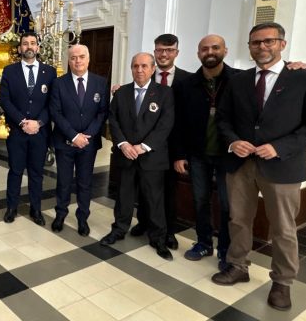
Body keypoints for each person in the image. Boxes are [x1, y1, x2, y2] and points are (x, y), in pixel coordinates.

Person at [212, 22, 306, 311]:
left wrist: (281, 147)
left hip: (283, 165)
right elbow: (223, 119)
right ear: (249, 47)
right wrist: (232, 142)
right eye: (255, 43)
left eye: (268, 41)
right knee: (238, 219)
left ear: (282, 44)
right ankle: (238, 265)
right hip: (241, 163)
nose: (262, 47)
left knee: (283, 227)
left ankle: (283, 281)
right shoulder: (238, 80)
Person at [171, 35, 237, 269]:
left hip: (228, 156)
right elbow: (178, 122)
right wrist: (179, 154)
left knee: (227, 205)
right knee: (200, 201)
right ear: (198, 53)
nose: (210, 52)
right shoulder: (186, 84)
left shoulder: (239, 80)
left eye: (215, 47)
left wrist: (294, 67)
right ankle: (204, 242)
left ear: (225, 51)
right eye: (204, 49)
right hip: (198, 154)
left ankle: (226, 249)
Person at [101, 53, 175, 261]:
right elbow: (113, 120)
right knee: (123, 196)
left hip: (152, 157)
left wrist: (143, 146)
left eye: (144, 66)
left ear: (153, 69)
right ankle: (118, 230)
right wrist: (124, 144)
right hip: (126, 156)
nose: (139, 70)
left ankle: (158, 239)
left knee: (154, 199)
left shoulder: (164, 93)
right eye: (135, 66)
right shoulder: (122, 93)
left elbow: (165, 124)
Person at [131, 34, 192, 250]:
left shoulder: (188, 79)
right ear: (155, 52)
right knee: (144, 188)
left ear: (177, 52)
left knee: (168, 191)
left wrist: (181, 153)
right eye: (159, 50)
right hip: (144, 147)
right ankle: (144, 222)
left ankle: (168, 232)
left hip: (172, 148)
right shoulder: (145, 74)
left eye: (169, 50)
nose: (164, 54)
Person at [48, 44, 108, 235]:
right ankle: (60, 215)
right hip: (65, 143)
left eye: (81, 57)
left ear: (88, 59)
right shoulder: (59, 83)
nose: (77, 61)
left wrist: (86, 136)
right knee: (63, 182)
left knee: (85, 183)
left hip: (88, 145)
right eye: (73, 57)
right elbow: (55, 112)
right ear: (69, 60)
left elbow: (102, 113)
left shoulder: (100, 83)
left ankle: (83, 218)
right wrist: (74, 136)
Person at [0, 33, 57, 226]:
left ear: (38, 48)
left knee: (36, 172)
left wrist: (38, 123)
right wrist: (23, 122)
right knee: (15, 171)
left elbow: (52, 103)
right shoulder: (9, 71)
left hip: (40, 133)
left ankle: (36, 209)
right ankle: (11, 208)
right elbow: (5, 101)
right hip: (17, 131)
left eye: (32, 43)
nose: (29, 46)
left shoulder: (49, 72)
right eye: (25, 44)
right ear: (19, 48)